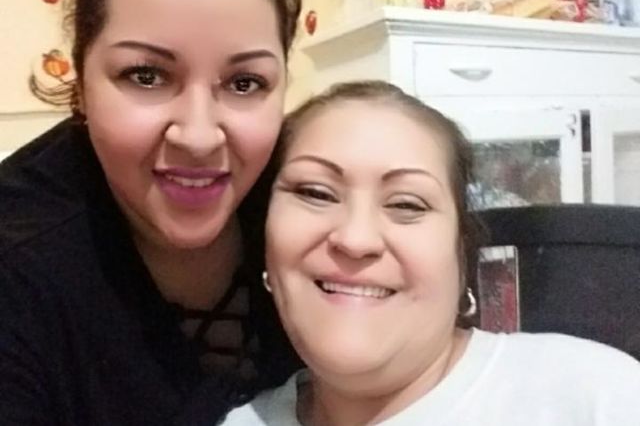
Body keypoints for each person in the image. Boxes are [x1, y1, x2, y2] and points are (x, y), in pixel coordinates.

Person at [0, 0, 302, 424]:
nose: (199, 137)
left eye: (245, 82)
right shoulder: (17, 262)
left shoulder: (311, 199)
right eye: (147, 76)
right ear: (81, 86)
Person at [222, 80, 640, 425]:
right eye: (316, 192)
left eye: (407, 204)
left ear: (461, 255)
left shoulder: (595, 397)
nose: (356, 239)